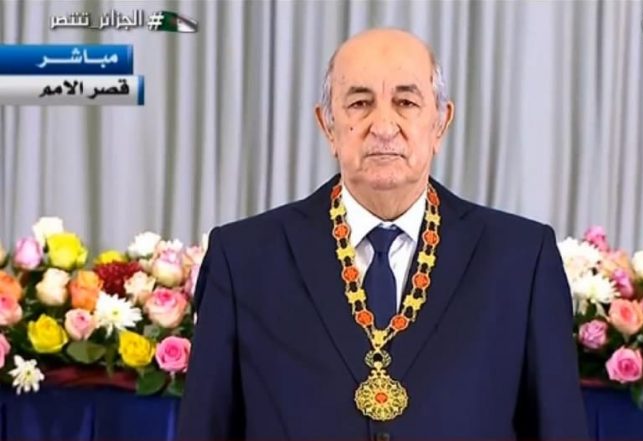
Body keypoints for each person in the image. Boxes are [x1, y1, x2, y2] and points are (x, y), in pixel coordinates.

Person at [177, 28, 588, 441]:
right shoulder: (244, 259)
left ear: (441, 122)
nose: (384, 126)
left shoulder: (520, 259)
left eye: (406, 102)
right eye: (360, 103)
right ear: (328, 125)